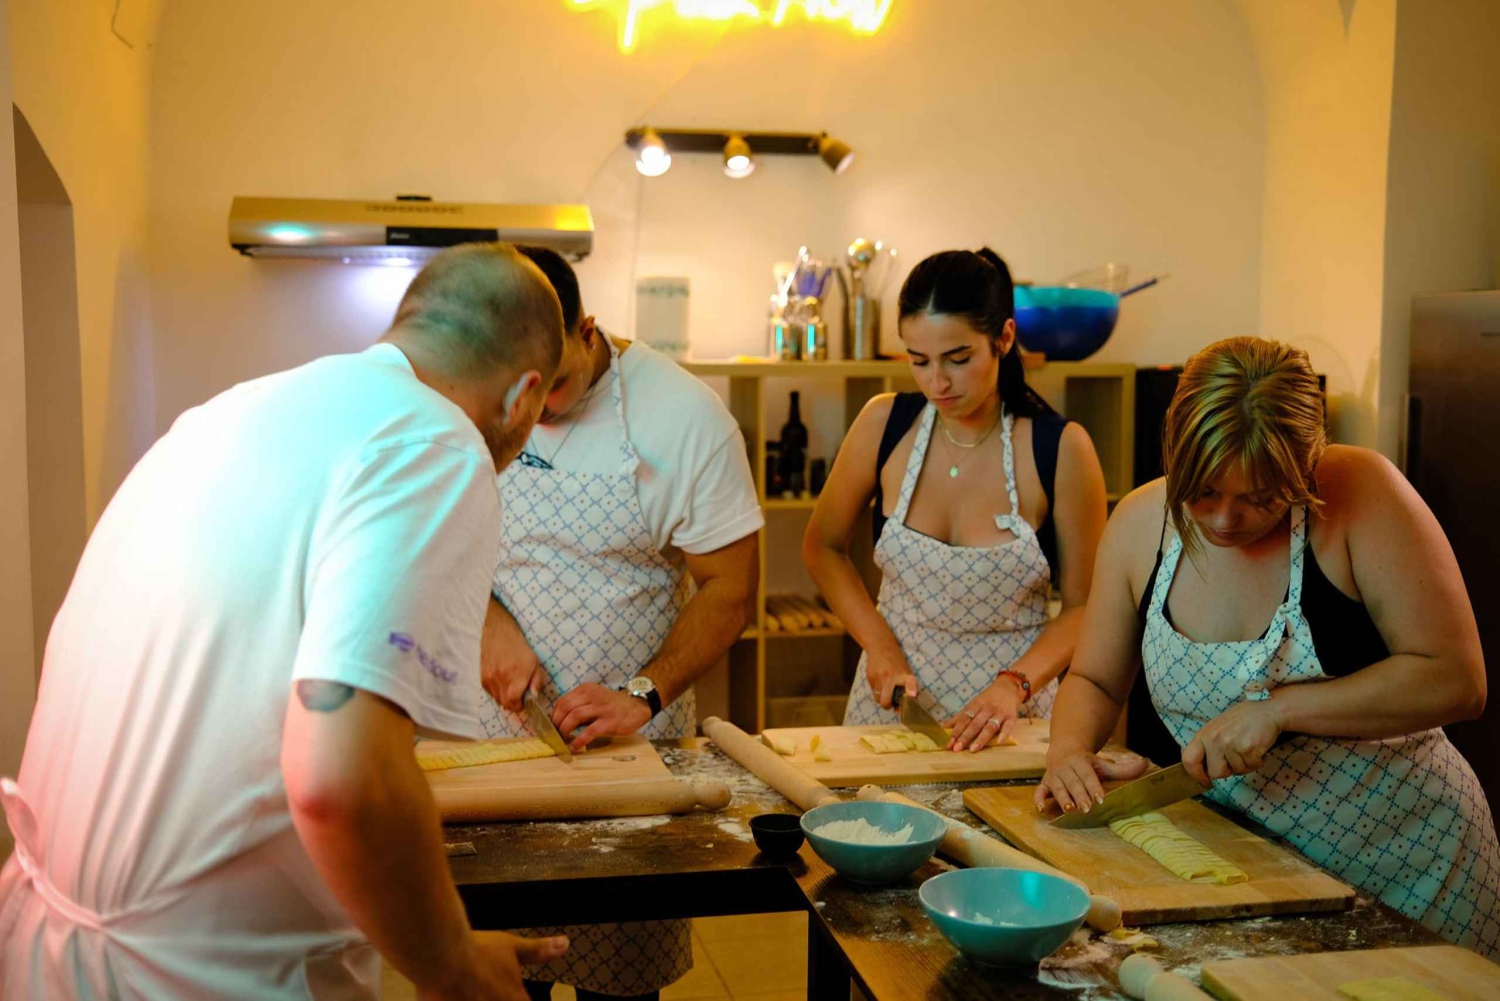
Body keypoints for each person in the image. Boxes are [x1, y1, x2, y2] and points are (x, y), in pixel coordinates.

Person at [0, 243, 572, 999]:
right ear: (526, 396)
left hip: (41, 941)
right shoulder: (437, 442)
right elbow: (342, 776)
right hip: (194, 977)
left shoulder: (229, 412)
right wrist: (455, 964)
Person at [1038, 336, 1500, 958]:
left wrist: (1279, 710)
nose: (1226, 520)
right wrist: (1069, 751)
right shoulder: (1140, 525)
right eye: (1202, 493)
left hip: (1413, 864)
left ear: (1307, 468)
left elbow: (1457, 680)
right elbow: (1093, 680)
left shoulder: (1363, 494)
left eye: (1260, 498)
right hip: (1249, 864)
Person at [477, 247, 761, 1000]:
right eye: (518, 396)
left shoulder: (685, 415)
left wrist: (645, 690)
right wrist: (484, 616)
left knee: (622, 987)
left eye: (555, 385)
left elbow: (731, 585)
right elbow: (419, 534)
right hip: (492, 751)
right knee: (500, 978)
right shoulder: (463, 397)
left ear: (587, 330)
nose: (536, 412)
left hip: (633, 756)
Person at [804, 248, 1108, 751]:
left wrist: (1014, 686)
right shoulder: (884, 425)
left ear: (1003, 339)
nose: (936, 383)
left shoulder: (1060, 448)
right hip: (891, 708)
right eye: (918, 361)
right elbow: (823, 548)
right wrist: (880, 648)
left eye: (958, 359)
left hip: (1012, 718)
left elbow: (1085, 607)